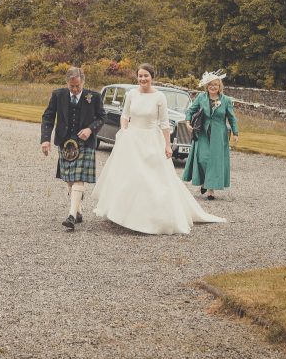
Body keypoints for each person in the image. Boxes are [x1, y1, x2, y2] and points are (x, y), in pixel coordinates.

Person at [94, 64, 225, 234]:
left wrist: (167, 145)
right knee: (129, 176)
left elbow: (164, 123)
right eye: (140, 76)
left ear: (152, 77)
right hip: (132, 139)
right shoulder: (131, 94)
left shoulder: (159, 97)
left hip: (150, 139)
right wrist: (124, 130)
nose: (143, 79)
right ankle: (123, 213)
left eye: (146, 76)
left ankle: (151, 217)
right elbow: (125, 115)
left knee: (151, 178)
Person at [40, 66, 106, 230]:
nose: (75, 89)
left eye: (78, 86)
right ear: (67, 83)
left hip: (84, 143)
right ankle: (78, 211)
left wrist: (90, 129)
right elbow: (48, 117)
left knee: (78, 178)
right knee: (69, 179)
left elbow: (102, 117)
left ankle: (71, 216)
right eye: (72, 86)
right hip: (65, 142)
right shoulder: (58, 95)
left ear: (83, 81)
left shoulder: (94, 97)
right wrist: (45, 140)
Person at [183, 70, 239, 199]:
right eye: (210, 85)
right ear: (207, 86)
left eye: (216, 85)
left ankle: (210, 190)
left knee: (214, 161)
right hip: (202, 132)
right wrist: (187, 122)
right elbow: (190, 110)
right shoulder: (201, 97)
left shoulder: (226, 100)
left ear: (220, 86)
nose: (213, 87)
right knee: (203, 158)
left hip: (219, 134)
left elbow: (232, 118)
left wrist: (235, 133)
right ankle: (204, 182)